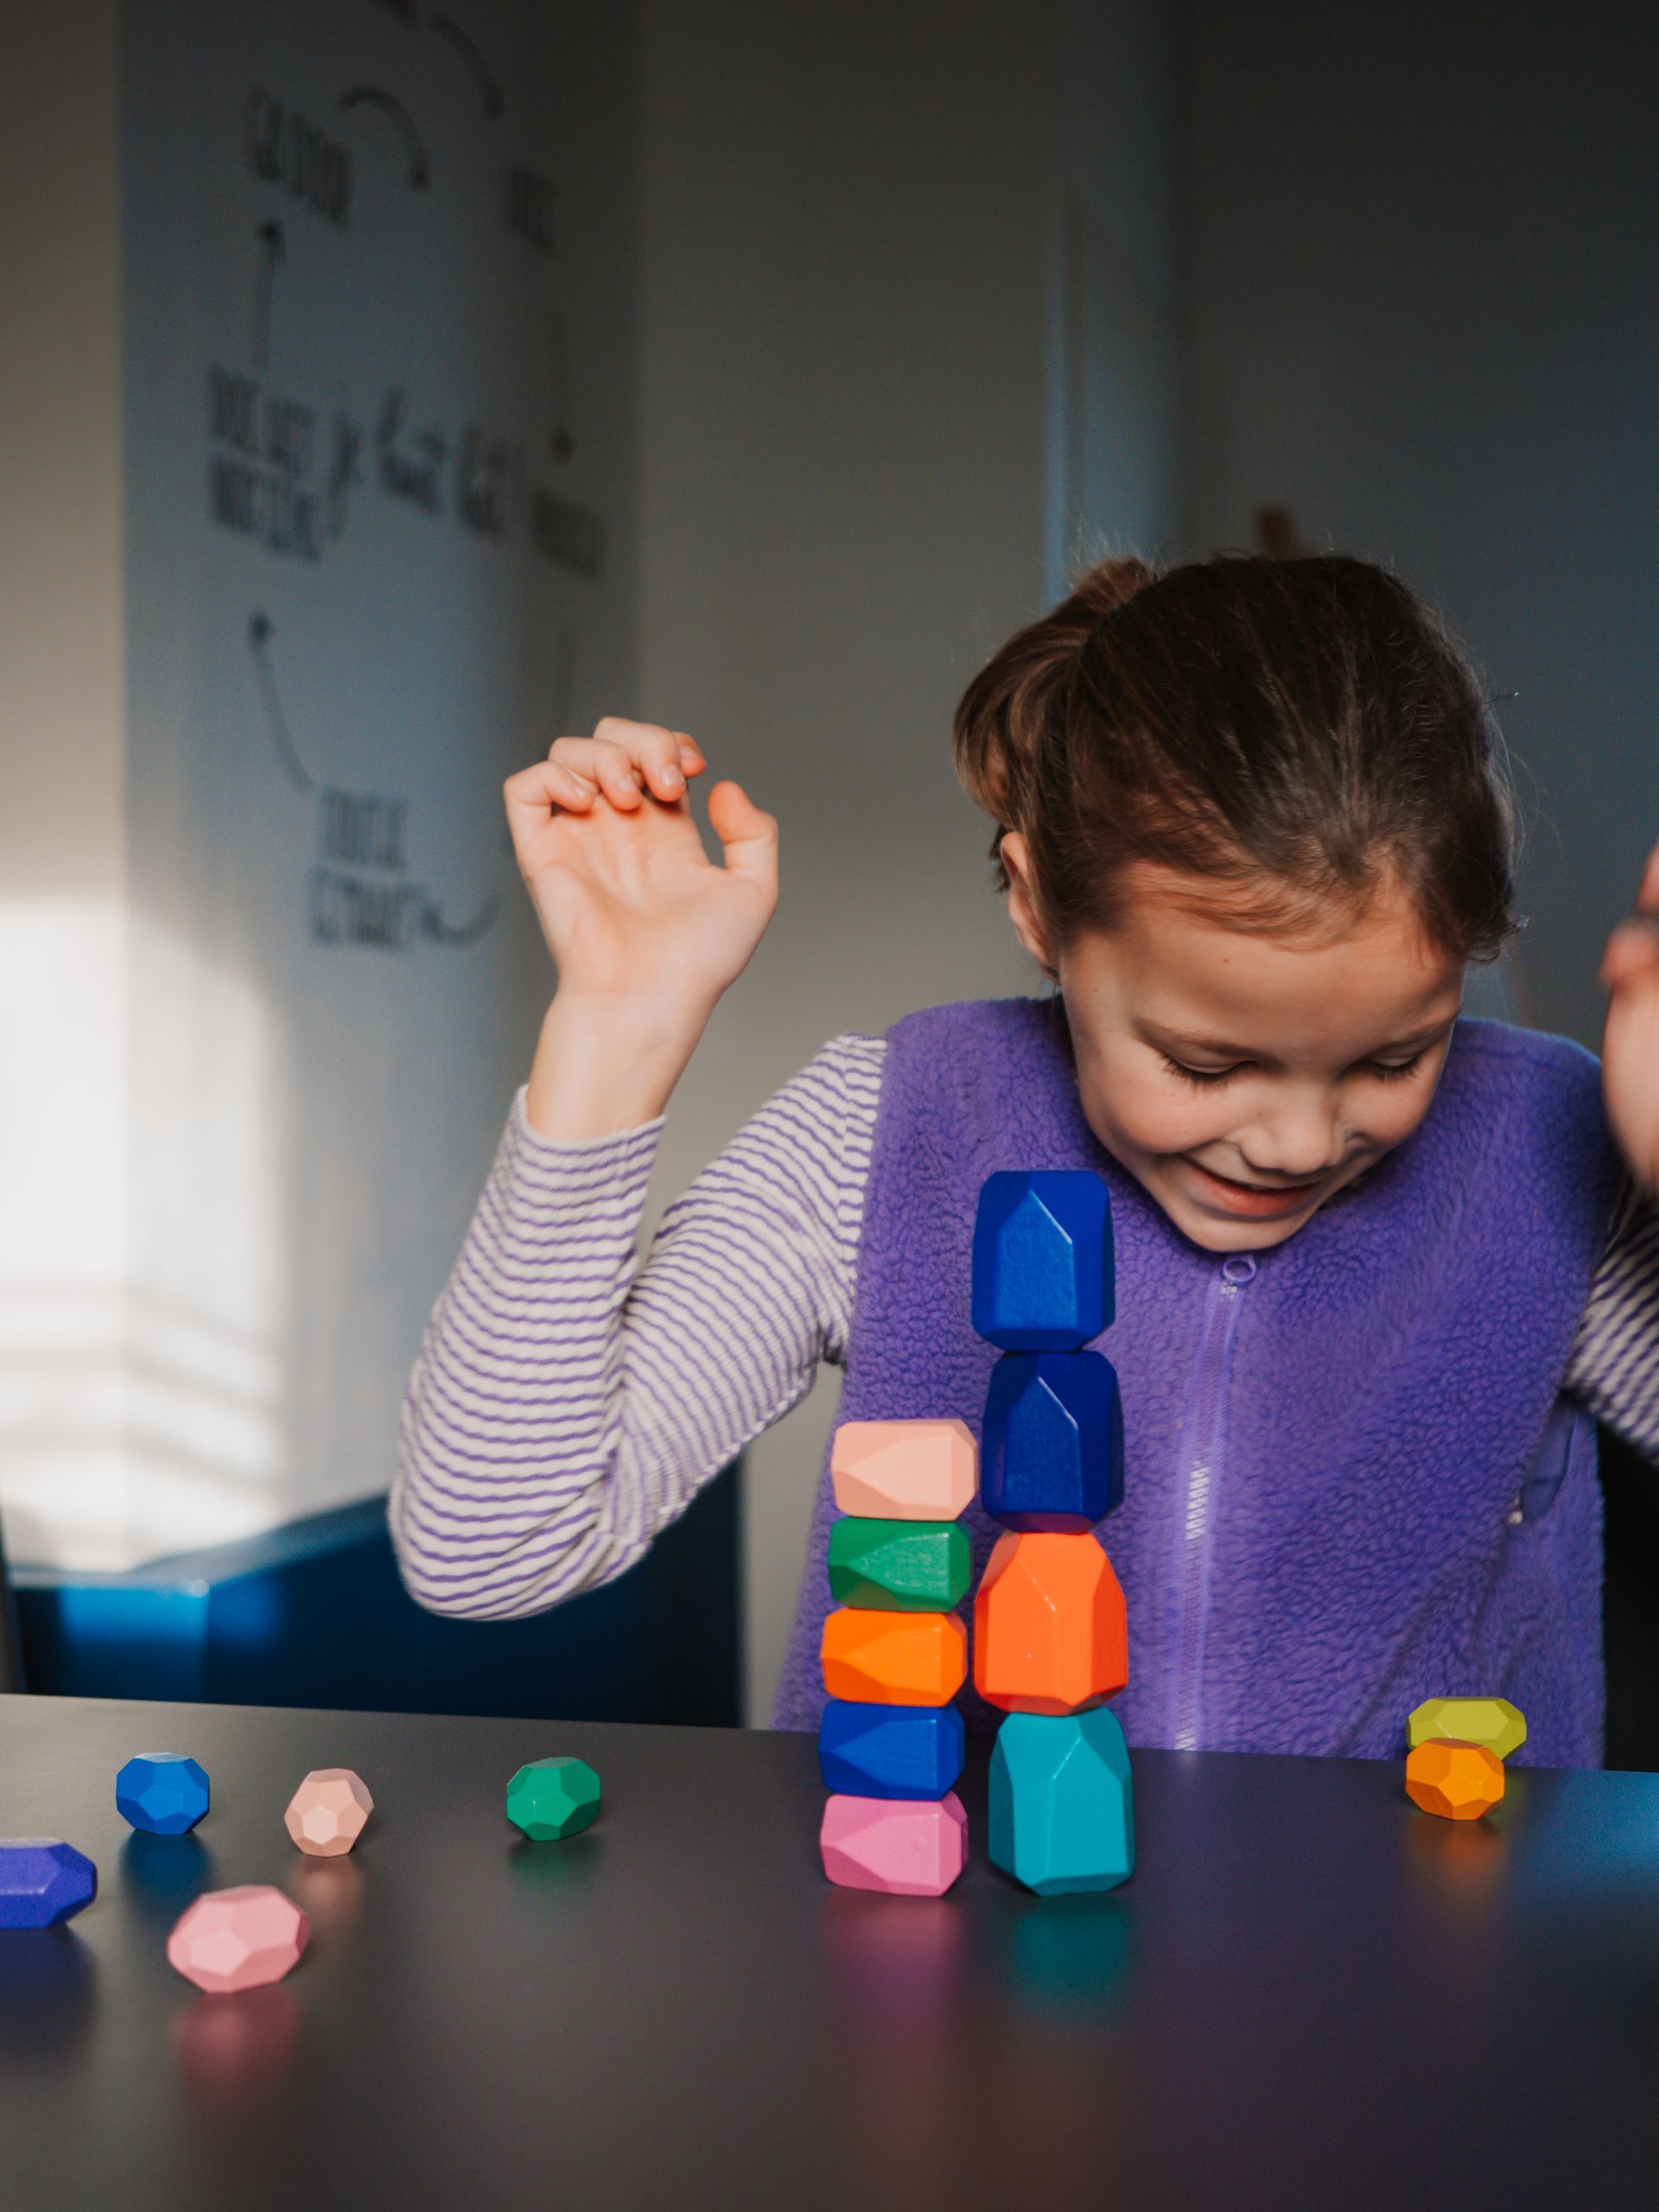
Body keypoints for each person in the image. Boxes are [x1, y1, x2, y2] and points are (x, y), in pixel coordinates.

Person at [391, 553, 1659, 1764]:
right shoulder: (881, 1132)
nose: (1296, 1141)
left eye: (1394, 1060)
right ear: (1037, 905)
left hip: (1423, 1972)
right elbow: (490, 1549)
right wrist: (618, 1023)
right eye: (1206, 1065)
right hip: (941, 1965)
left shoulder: (1548, 1146)